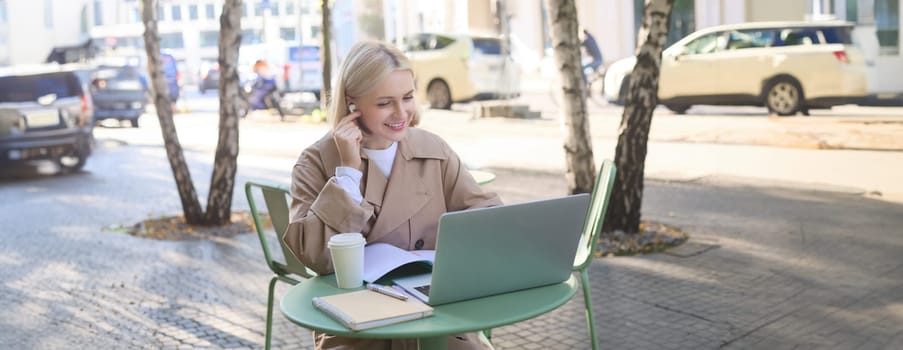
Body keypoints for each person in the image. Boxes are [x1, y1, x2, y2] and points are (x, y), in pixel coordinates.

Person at [282, 40, 501, 350]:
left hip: (437, 315)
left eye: (408, 97)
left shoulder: (433, 149)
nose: (402, 113)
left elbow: (484, 213)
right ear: (352, 103)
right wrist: (347, 172)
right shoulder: (316, 162)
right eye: (385, 103)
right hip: (356, 325)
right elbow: (316, 256)